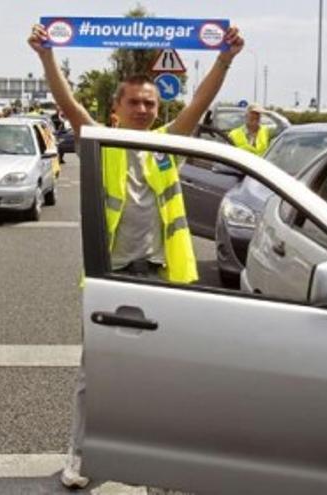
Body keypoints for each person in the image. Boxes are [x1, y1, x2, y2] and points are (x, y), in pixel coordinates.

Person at [28, 21, 244, 489]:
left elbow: (199, 103)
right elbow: (68, 105)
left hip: (163, 277)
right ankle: (82, 459)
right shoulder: (99, 142)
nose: (144, 110)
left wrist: (224, 59)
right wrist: (47, 56)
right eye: (135, 103)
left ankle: (154, 468)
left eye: (150, 103)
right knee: (97, 376)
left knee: (162, 378)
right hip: (113, 277)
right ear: (116, 109)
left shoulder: (168, 144)